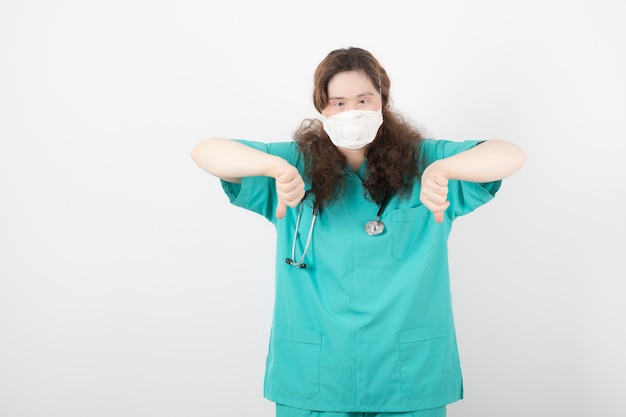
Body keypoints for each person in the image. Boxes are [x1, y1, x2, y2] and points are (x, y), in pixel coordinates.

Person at [191, 47, 527, 417]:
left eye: (363, 100)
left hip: (407, 376)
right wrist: (271, 165)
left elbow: (509, 154)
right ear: (322, 110)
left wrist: (443, 171)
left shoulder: (427, 162)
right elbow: (206, 151)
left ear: (382, 103)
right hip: (316, 377)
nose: (351, 112)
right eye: (338, 102)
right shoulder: (291, 167)